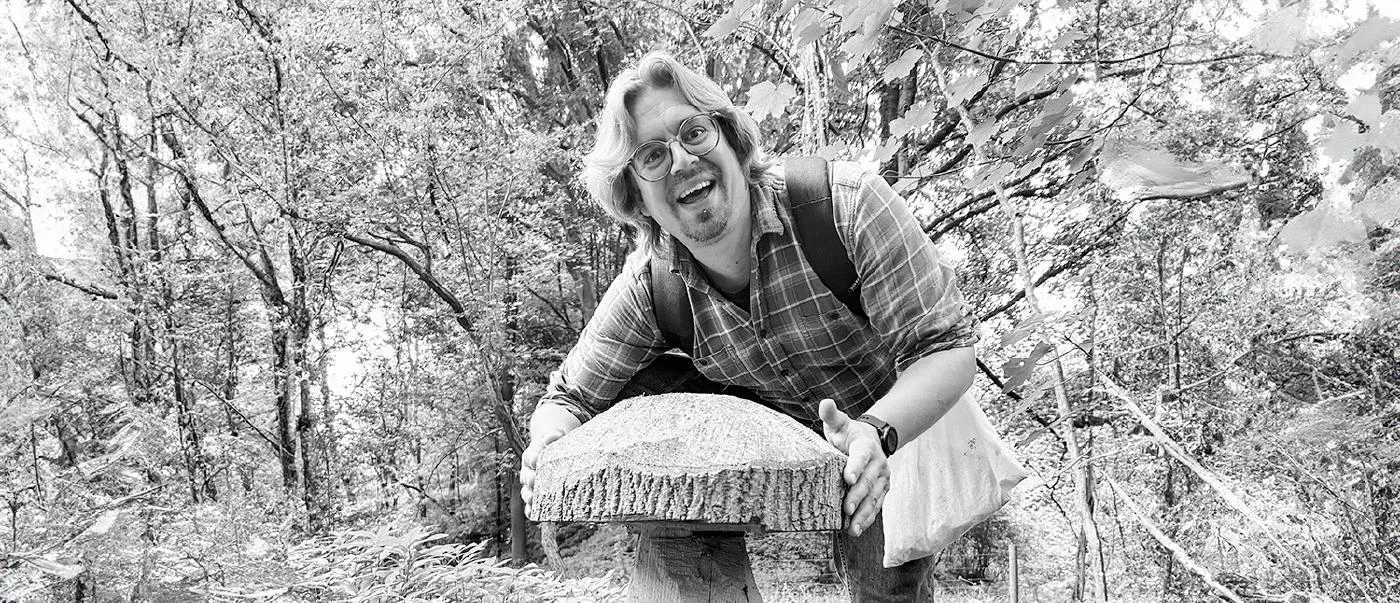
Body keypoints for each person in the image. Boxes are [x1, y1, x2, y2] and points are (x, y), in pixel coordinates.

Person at [519, 51, 977, 601]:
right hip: (766, 431)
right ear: (635, 196)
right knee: (636, 387)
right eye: (652, 157)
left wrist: (875, 431)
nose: (682, 162)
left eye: (693, 133)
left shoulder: (846, 207)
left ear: (732, 138)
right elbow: (568, 396)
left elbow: (947, 349)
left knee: (890, 592)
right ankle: (690, 551)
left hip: (887, 426)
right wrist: (546, 445)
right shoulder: (651, 286)